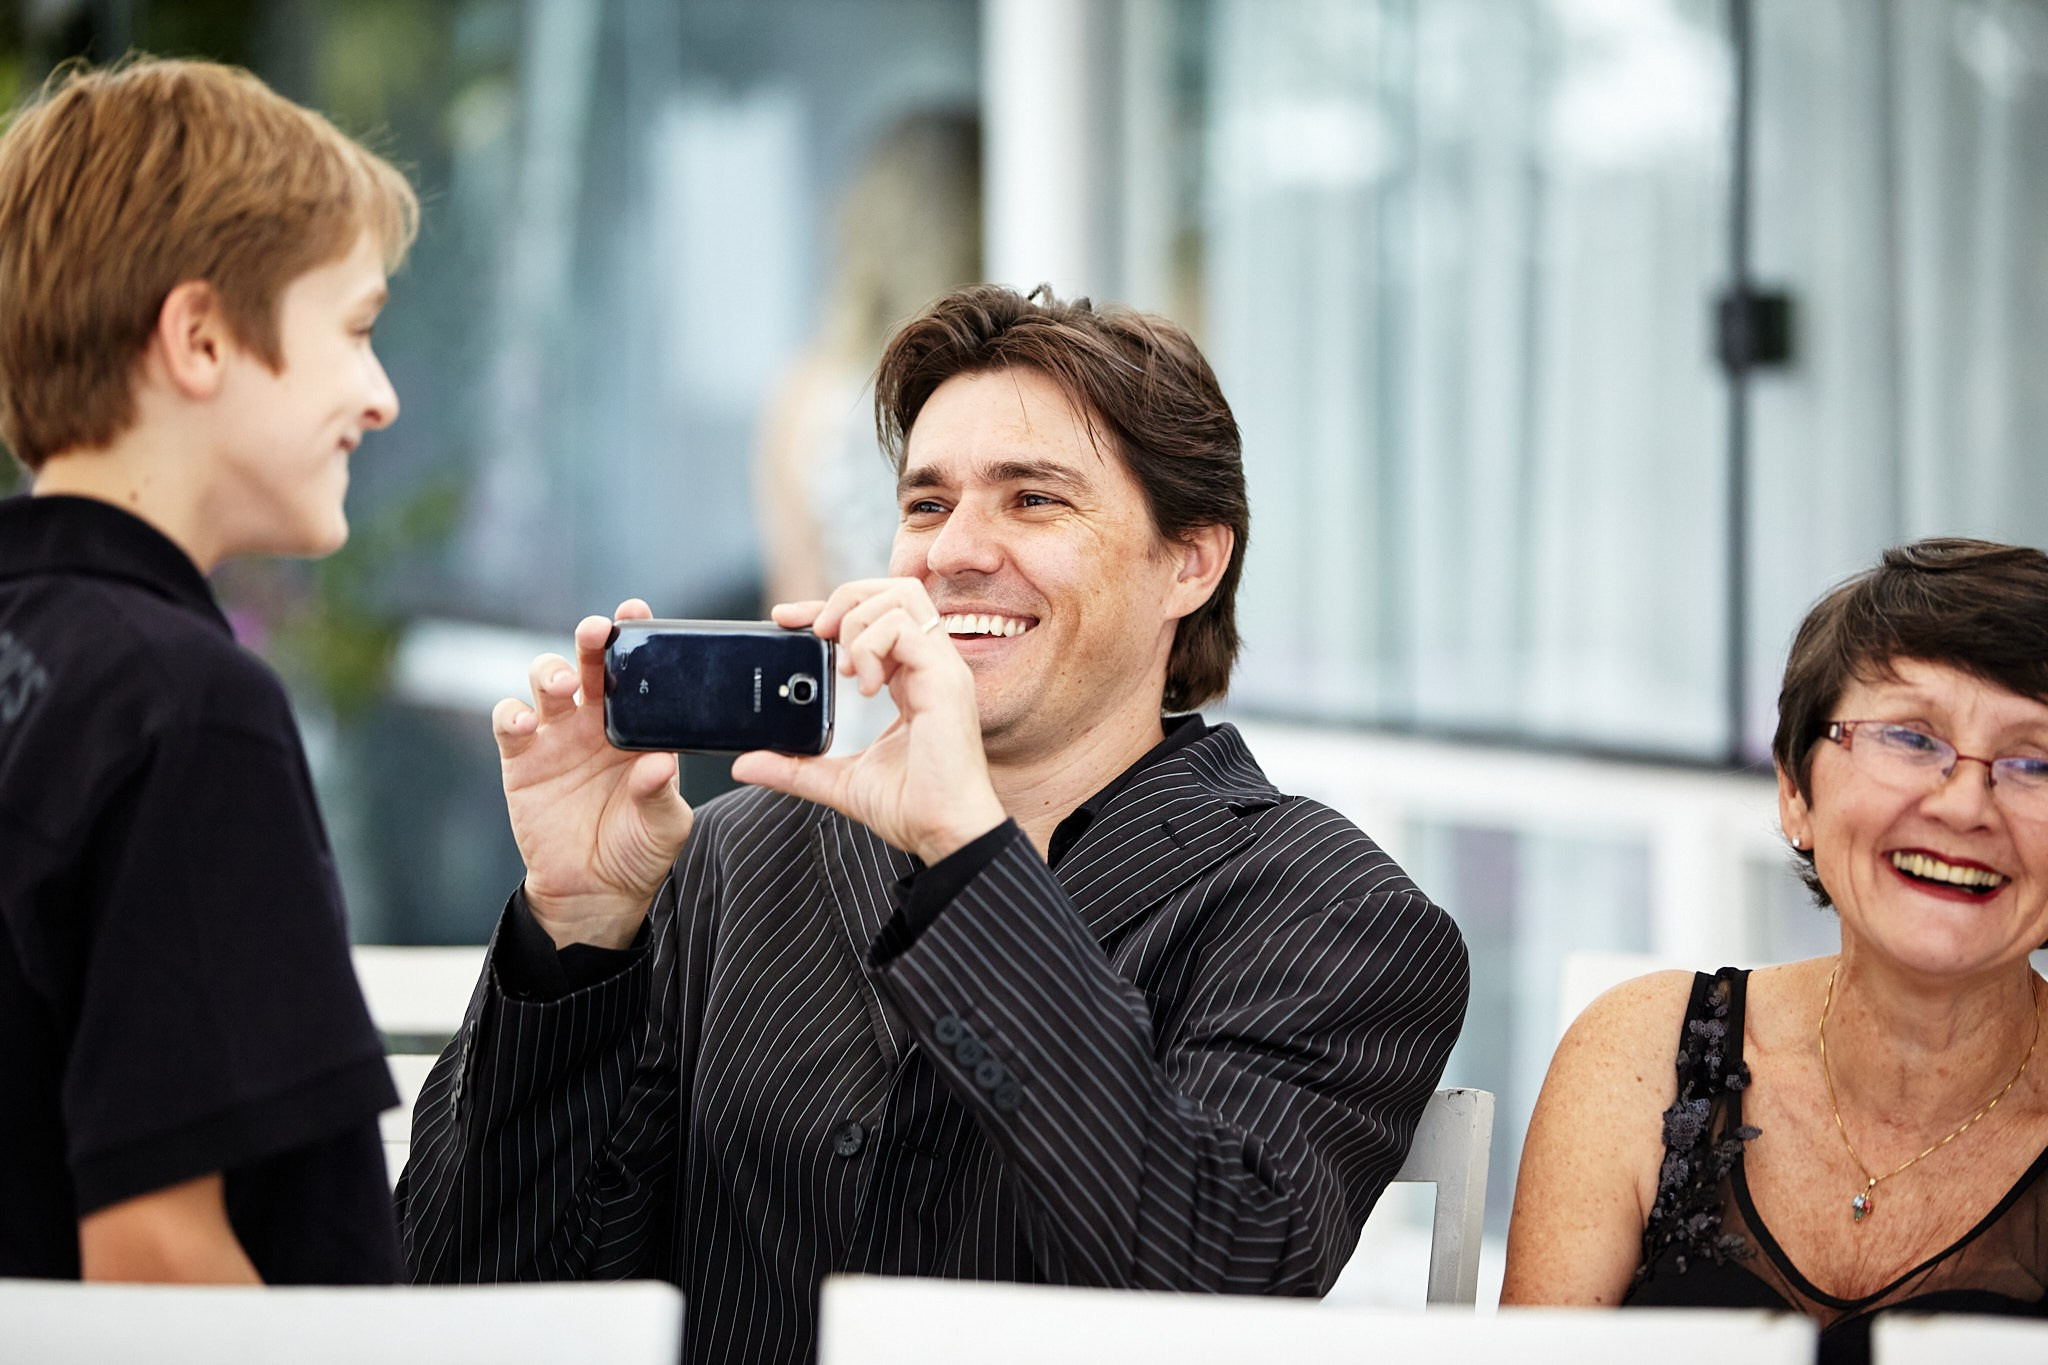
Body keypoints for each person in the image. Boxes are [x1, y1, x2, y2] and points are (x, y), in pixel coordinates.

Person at [399, 284, 1470, 1364]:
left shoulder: (1337, 912)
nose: (953, 551)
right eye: (925, 504)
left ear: (1189, 561)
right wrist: (581, 935)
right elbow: (467, 1299)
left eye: (1033, 499)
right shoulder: (736, 856)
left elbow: (1210, 1275)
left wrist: (966, 851)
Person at [0, 58, 418, 1283]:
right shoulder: (186, 711)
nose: (382, 399)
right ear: (199, 338)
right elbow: (159, 1260)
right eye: (357, 331)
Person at [1502, 539, 2048, 1362]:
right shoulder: (1643, 1055)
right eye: (1911, 737)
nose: (1966, 803)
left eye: (2035, 760)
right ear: (1796, 790)